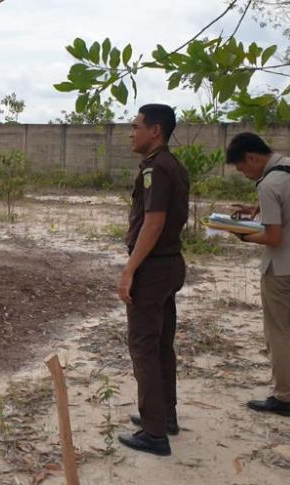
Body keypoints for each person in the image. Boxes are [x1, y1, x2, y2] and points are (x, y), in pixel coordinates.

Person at [226, 132, 290, 417]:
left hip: (283, 269)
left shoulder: (268, 185)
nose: (243, 174)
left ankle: (284, 397)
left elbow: (273, 238)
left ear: (252, 158)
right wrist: (255, 210)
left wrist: (242, 235)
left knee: (278, 331)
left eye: (242, 168)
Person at [115, 104, 189, 457]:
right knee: (161, 345)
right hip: (170, 264)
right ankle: (165, 416)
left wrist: (130, 270)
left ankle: (154, 433)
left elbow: (154, 222)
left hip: (153, 269)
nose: (132, 133)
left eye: (136, 127)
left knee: (144, 346)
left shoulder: (156, 168)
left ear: (155, 131)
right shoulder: (172, 164)